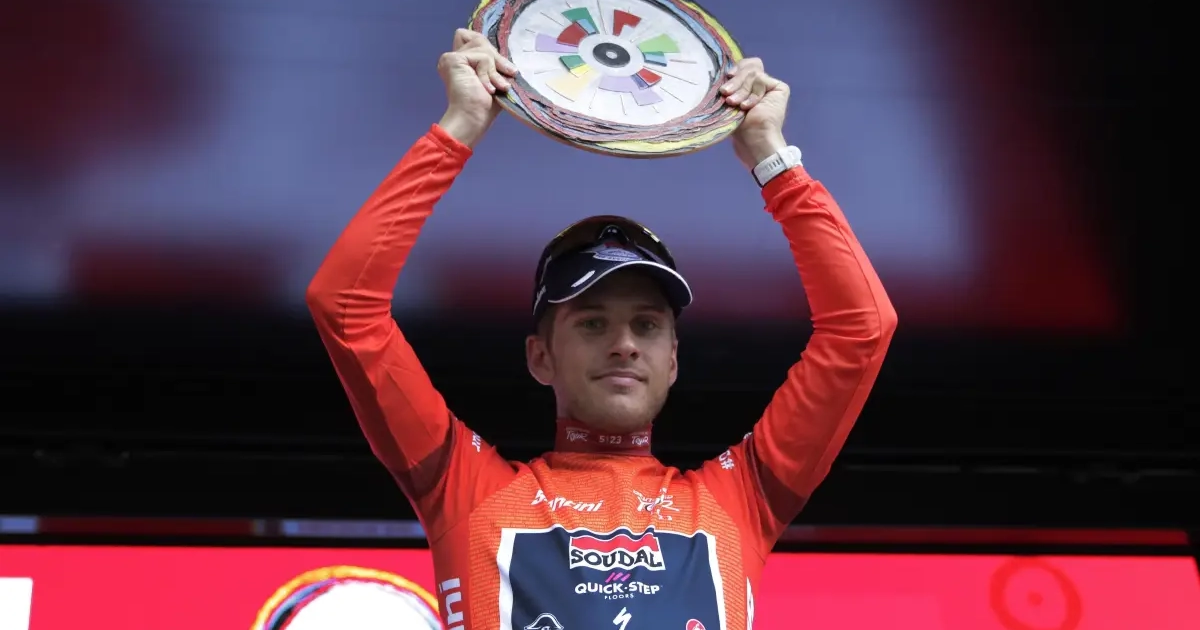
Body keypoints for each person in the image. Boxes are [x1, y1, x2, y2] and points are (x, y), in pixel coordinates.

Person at [307, 28, 896, 630]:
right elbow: (346, 307)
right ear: (540, 357)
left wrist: (773, 158)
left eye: (647, 324)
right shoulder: (464, 490)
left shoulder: (741, 501)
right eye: (592, 322)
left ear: (673, 358)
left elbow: (863, 330)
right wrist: (458, 128)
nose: (624, 344)